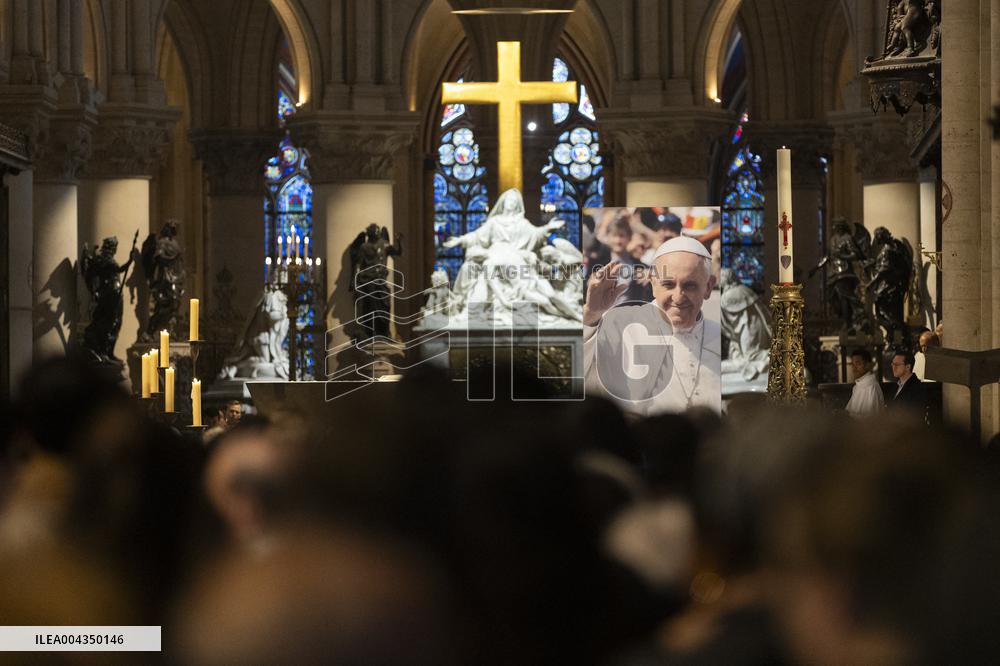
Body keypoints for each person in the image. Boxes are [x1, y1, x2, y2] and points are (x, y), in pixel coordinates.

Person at [584, 236, 721, 416]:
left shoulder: (720, 335)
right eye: (668, 284)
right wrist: (591, 315)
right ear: (653, 282)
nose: (678, 297)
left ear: (709, 286)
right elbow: (570, 378)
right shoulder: (620, 325)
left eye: (690, 286)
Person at [845, 349, 885, 417]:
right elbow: (849, 410)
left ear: (867, 365)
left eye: (858, 364)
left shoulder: (872, 387)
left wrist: (848, 415)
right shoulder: (857, 386)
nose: (854, 368)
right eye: (852, 364)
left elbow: (873, 419)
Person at [889, 351, 927, 418]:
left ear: (908, 367)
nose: (893, 367)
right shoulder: (896, 386)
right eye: (893, 364)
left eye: (897, 364)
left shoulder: (917, 388)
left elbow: (915, 417)